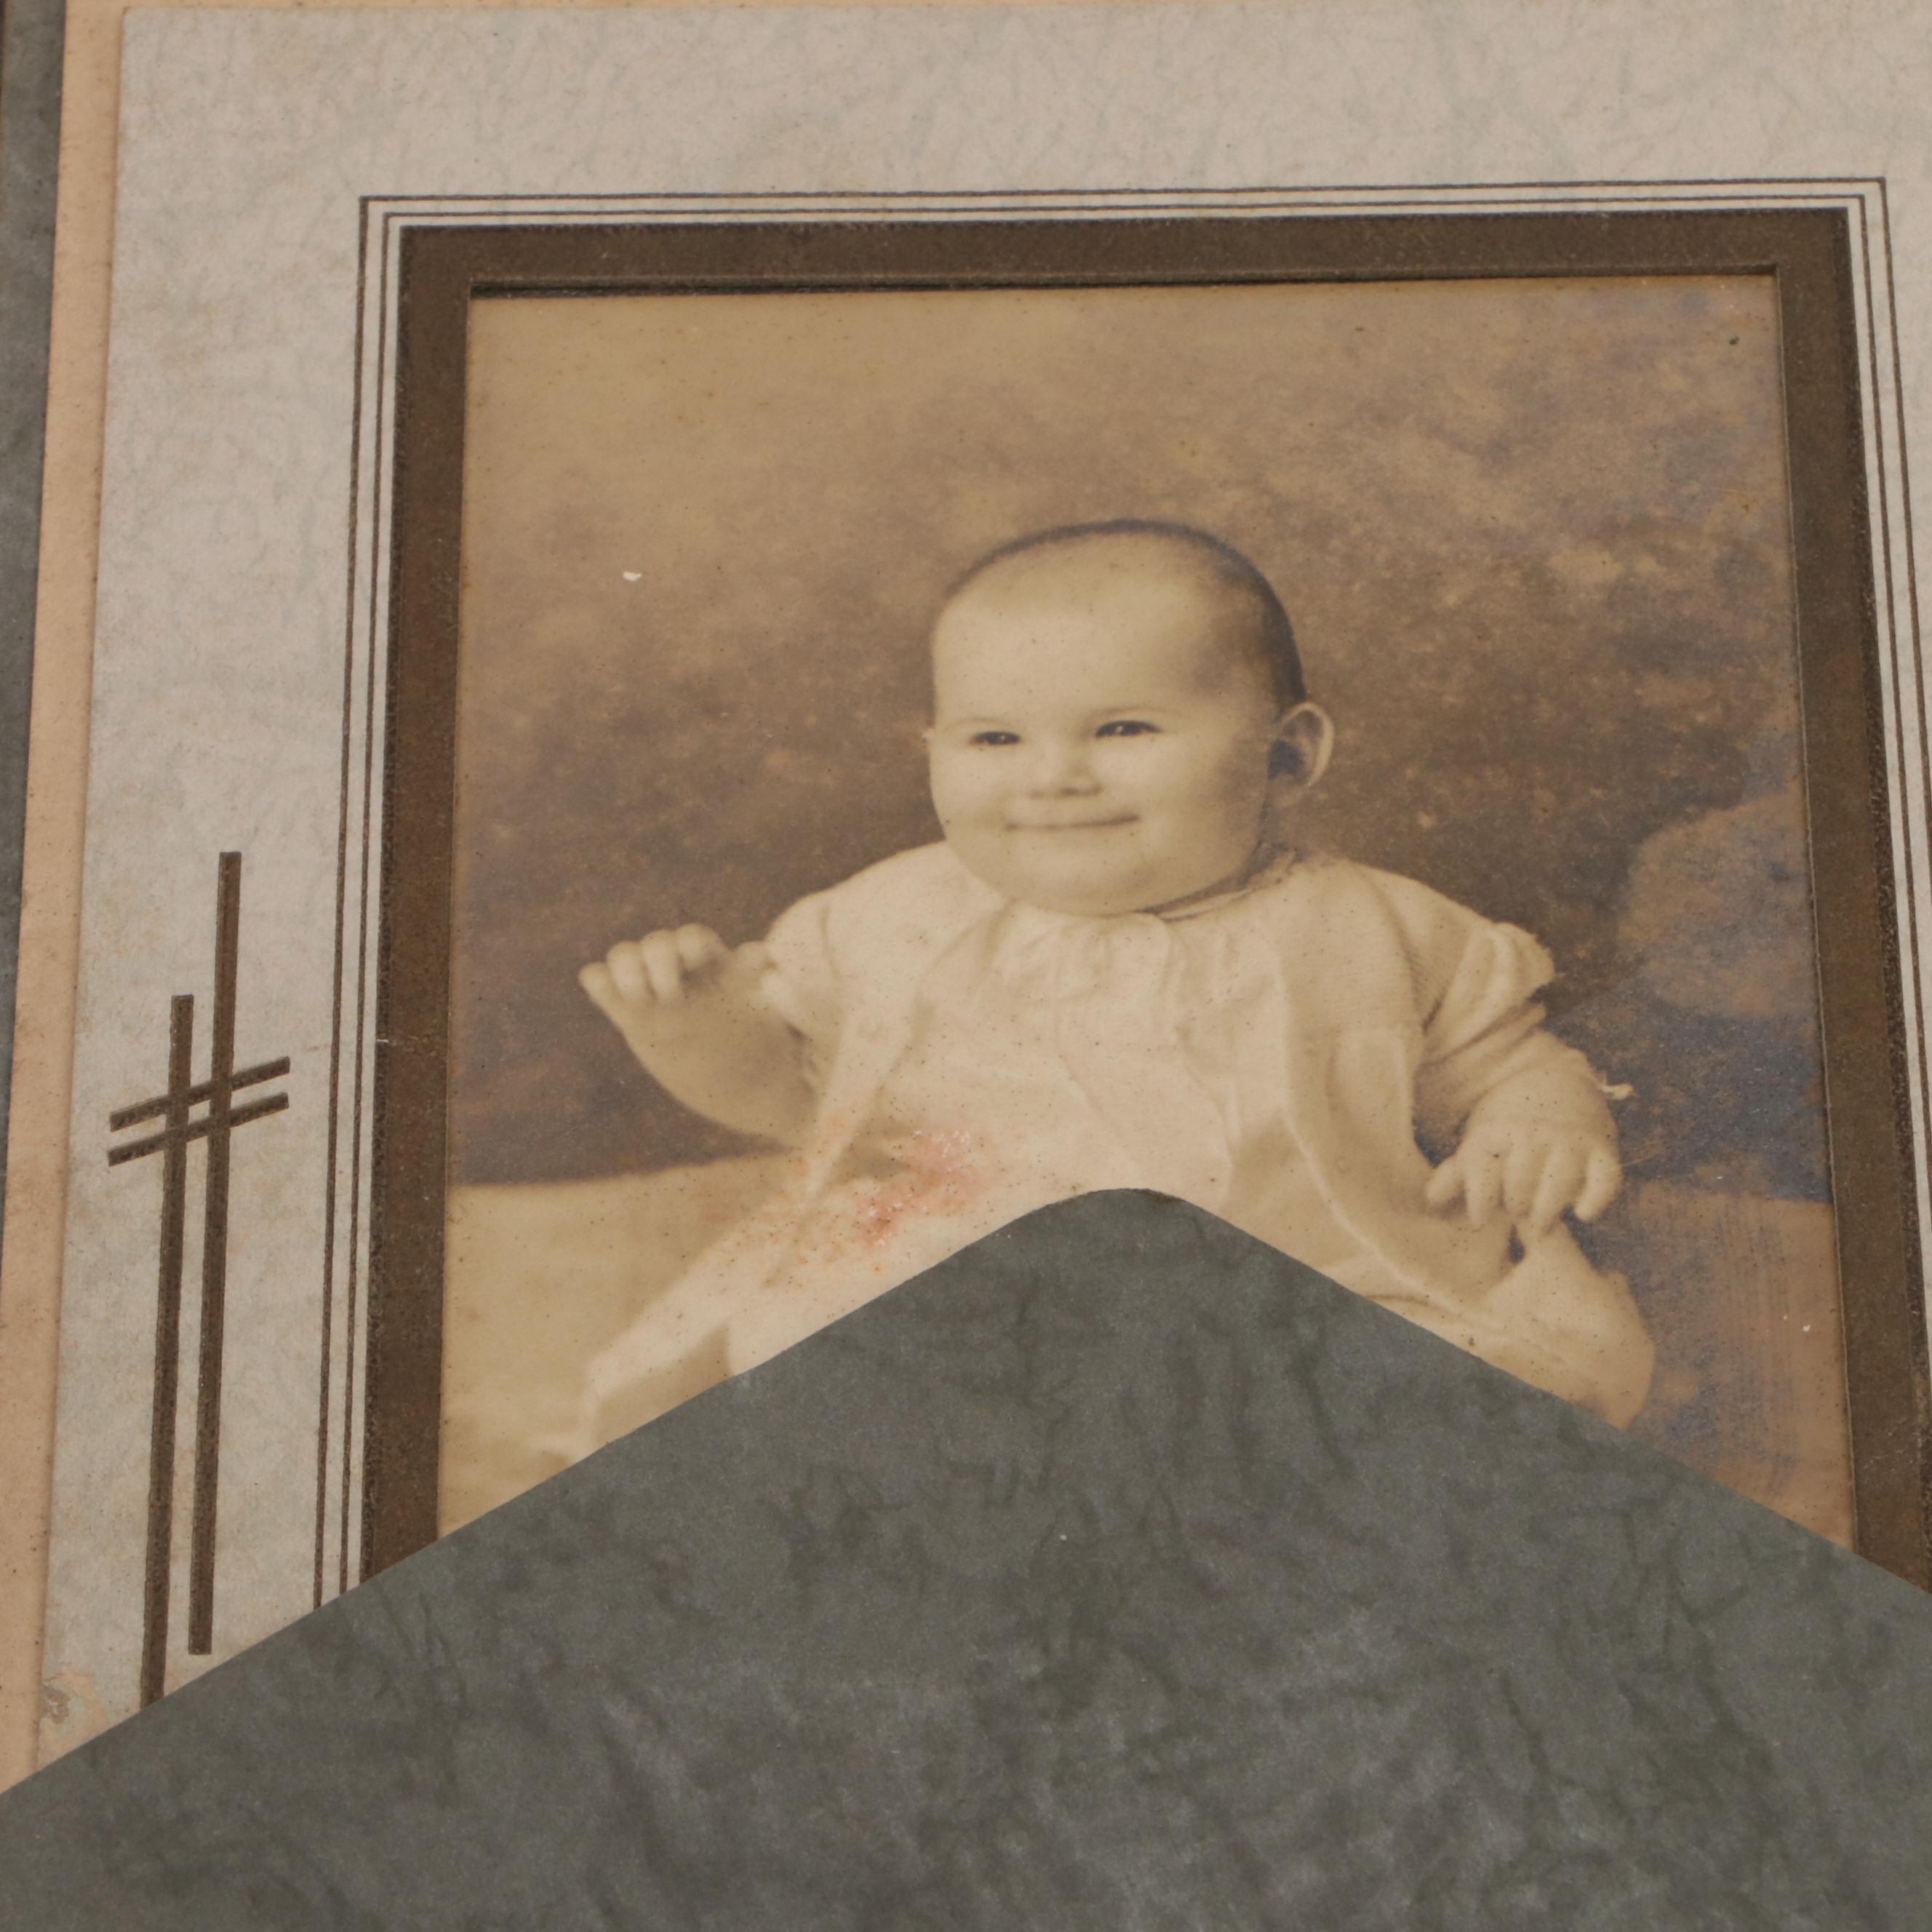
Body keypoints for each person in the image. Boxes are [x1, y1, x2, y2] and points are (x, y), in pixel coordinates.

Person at [566, 520, 1654, 1454]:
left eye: (1122, 729)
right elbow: (797, 1100)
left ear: (1287, 755)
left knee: (1400, 1411)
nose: (1054, 777)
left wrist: (1537, 1121)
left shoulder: (1379, 927)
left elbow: (1503, 1064)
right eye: (996, 737)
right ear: (934, 747)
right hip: (967, 1299)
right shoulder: (892, 917)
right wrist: (694, 1029)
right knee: (824, 1354)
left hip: (1294, 1293)